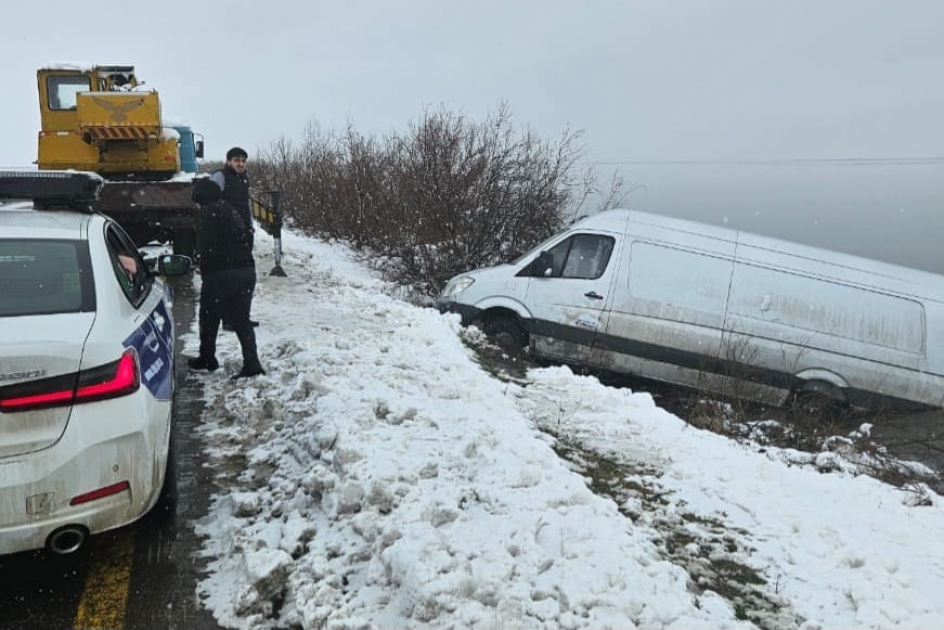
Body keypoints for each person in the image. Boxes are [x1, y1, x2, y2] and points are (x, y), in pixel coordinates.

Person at [187, 177, 265, 379]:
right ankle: (252, 363)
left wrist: (203, 265)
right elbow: (247, 236)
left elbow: (205, 246)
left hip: (220, 273)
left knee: (209, 316)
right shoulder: (230, 209)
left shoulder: (208, 212)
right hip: (246, 271)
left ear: (201, 197)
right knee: (241, 319)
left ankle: (207, 358)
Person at [210, 147, 259, 330]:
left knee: (245, 279)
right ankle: (228, 320)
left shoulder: (244, 179)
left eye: (243, 161)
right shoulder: (220, 177)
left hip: (244, 235)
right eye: (237, 160)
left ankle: (241, 317)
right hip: (227, 236)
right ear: (229, 161)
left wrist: (250, 227)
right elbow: (208, 201)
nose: (240, 164)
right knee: (229, 279)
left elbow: (246, 205)